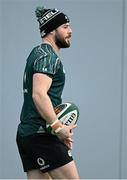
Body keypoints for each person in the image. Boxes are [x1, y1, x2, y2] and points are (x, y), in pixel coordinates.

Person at [16, 6, 80, 179]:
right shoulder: (48, 56)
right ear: (51, 30)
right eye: (65, 26)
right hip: (41, 134)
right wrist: (58, 127)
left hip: (27, 133)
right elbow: (39, 94)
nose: (70, 31)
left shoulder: (36, 53)